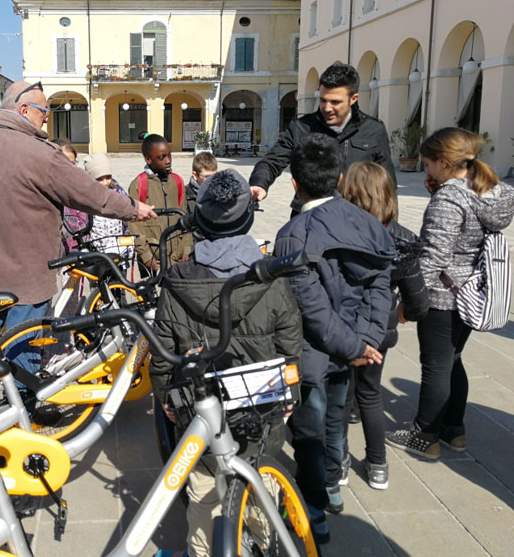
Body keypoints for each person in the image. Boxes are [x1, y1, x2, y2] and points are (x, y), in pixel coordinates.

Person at [0, 80, 155, 369]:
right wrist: (133, 208)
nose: (47, 117)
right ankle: (22, 408)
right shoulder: (39, 152)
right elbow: (90, 194)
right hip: (28, 274)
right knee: (22, 349)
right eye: (44, 110)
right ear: (24, 109)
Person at [151, 169, 302, 557]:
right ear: (248, 219)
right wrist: (291, 391)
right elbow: (290, 344)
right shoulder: (271, 278)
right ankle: (262, 546)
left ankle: (204, 551)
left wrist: (166, 398)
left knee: (203, 495)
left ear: (199, 223)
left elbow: (162, 352)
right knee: (261, 488)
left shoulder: (178, 281)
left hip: (201, 410)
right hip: (261, 407)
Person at [273, 134, 394, 543]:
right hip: (353, 348)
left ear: (294, 183)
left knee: (310, 429)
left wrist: (357, 345)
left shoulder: (293, 233)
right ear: (340, 177)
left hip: (314, 351)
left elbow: (312, 310)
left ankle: (315, 510)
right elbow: (382, 287)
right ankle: (332, 485)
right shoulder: (367, 221)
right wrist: (367, 341)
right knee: (336, 417)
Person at [386, 128, 514, 459]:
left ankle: (424, 436)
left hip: (443, 295)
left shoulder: (450, 198)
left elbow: (433, 256)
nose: (426, 170)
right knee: (452, 361)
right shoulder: (485, 191)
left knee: (436, 366)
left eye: (428, 164)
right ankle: (454, 430)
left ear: (444, 162)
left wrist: (409, 301)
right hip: (472, 291)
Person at [339, 162, 429, 490]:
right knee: (370, 393)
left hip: (343, 324)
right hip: (380, 327)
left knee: (340, 394)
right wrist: (403, 312)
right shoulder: (400, 236)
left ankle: (340, 463)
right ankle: (378, 464)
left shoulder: (339, 230)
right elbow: (419, 299)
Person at [249, 64, 396, 215]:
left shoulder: (374, 130)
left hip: (356, 218)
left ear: (353, 99)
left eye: (335, 102)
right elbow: (272, 161)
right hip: (309, 218)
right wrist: (259, 183)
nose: (326, 108)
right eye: (323, 100)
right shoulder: (302, 127)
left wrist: (387, 223)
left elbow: (387, 182)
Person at [128, 134, 192, 273]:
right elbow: (135, 226)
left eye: (169, 155)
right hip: (153, 259)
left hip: (177, 258)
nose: (168, 161)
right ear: (148, 159)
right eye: (161, 157)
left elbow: (185, 217)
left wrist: (186, 248)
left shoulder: (178, 182)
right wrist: (146, 257)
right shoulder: (139, 185)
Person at [83, 153, 133, 260]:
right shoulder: (86, 198)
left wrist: (127, 236)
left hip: (118, 248)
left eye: (108, 177)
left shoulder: (118, 193)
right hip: (96, 250)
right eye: (99, 179)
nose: (105, 182)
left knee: (119, 275)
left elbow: (126, 218)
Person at [55, 139, 89, 255]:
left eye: (73, 163)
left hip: (80, 248)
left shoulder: (81, 185)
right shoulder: (48, 189)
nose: (70, 168)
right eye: (66, 163)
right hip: (57, 251)